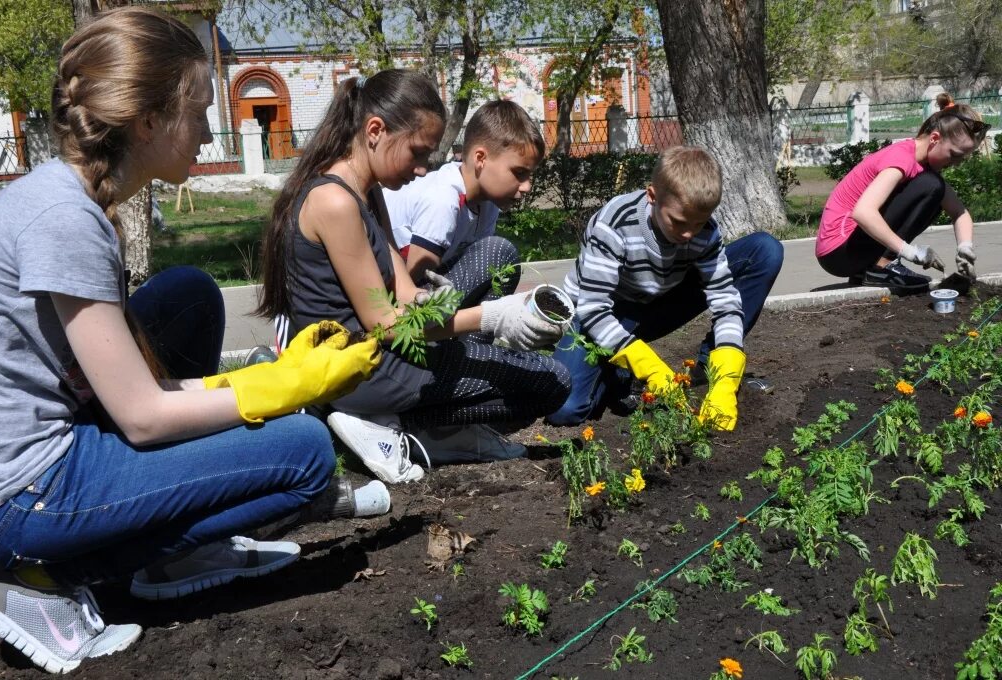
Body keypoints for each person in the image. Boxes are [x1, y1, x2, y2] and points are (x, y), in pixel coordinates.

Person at [0, 8, 384, 673]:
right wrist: (289, 389)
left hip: (21, 455)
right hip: (17, 495)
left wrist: (259, 383)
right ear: (147, 122)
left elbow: (134, 387)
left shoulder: (67, 198)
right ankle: (35, 579)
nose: (207, 125)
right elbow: (141, 416)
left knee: (189, 297)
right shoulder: (66, 221)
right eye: (196, 109)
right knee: (308, 453)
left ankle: (170, 551)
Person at [257, 70, 571, 485]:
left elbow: (402, 292)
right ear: (375, 131)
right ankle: (381, 424)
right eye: (418, 153)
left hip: (375, 360)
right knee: (551, 382)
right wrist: (493, 317)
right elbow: (387, 327)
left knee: (532, 362)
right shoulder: (334, 201)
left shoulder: (365, 192)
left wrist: (431, 302)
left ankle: (408, 425)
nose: (423, 169)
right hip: (359, 371)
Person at [547, 146, 783, 430]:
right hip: (598, 314)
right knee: (565, 409)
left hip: (656, 302)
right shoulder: (615, 224)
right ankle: (617, 374)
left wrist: (727, 376)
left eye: (697, 224)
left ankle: (708, 369)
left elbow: (725, 301)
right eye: (679, 222)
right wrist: (646, 365)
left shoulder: (702, 230)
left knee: (765, 251)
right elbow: (593, 308)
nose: (688, 235)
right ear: (652, 196)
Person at [378, 100, 545, 461]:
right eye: (519, 173)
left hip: (433, 318)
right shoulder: (444, 200)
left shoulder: (485, 203)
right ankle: (416, 410)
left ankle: (459, 375)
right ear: (480, 158)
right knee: (499, 254)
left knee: (499, 258)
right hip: (396, 329)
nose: (527, 186)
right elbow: (407, 285)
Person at [816, 104, 987, 293]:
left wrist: (965, 249)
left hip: (850, 252)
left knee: (936, 189)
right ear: (935, 139)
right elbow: (863, 212)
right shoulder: (902, 159)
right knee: (932, 186)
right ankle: (882, 267)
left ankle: (870, 270)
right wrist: (910, 252)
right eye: (953, 155)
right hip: (838, 251)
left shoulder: (923, 165)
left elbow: (959, 212)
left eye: (961, 159)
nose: (955, 164)